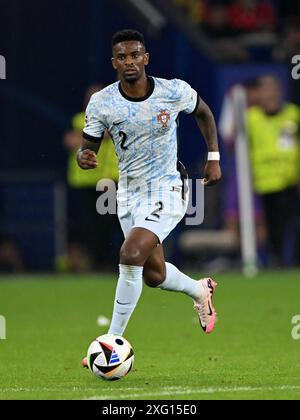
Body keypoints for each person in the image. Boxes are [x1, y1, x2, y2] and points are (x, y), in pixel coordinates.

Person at [77, 29, 222, 356]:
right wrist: (84, 157)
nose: (129, 62)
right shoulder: (102, 103)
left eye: (135, 55)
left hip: (168, 188)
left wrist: (213, 158)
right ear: (114, 62)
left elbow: (204, 113)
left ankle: (110, 343)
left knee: (129, 255)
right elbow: (87, 146)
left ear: (146, 58)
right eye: (122, 57)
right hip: (129, 194)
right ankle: (200, 290)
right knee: (153, 275)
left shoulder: (172, 91)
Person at [62, 85, 120, 271]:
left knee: (109, 223)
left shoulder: (114, 118)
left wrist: (85, 137)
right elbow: (70, 140)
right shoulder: (79, 119)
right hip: (84, 182)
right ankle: (93, 261)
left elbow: (99, 136)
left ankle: (108, 261)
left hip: (107, 181)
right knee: (88, 225)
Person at [246, 75, 300, 265]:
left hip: (289, 180)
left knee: (292, 223)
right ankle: (276, 261)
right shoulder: (251, 118)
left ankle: (293, 261)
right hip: (264, 182)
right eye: (265, 90)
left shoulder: (293, 114)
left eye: (273, 89)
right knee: (272, 225)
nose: (270, 94)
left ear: (279, 91)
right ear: (259, 94)